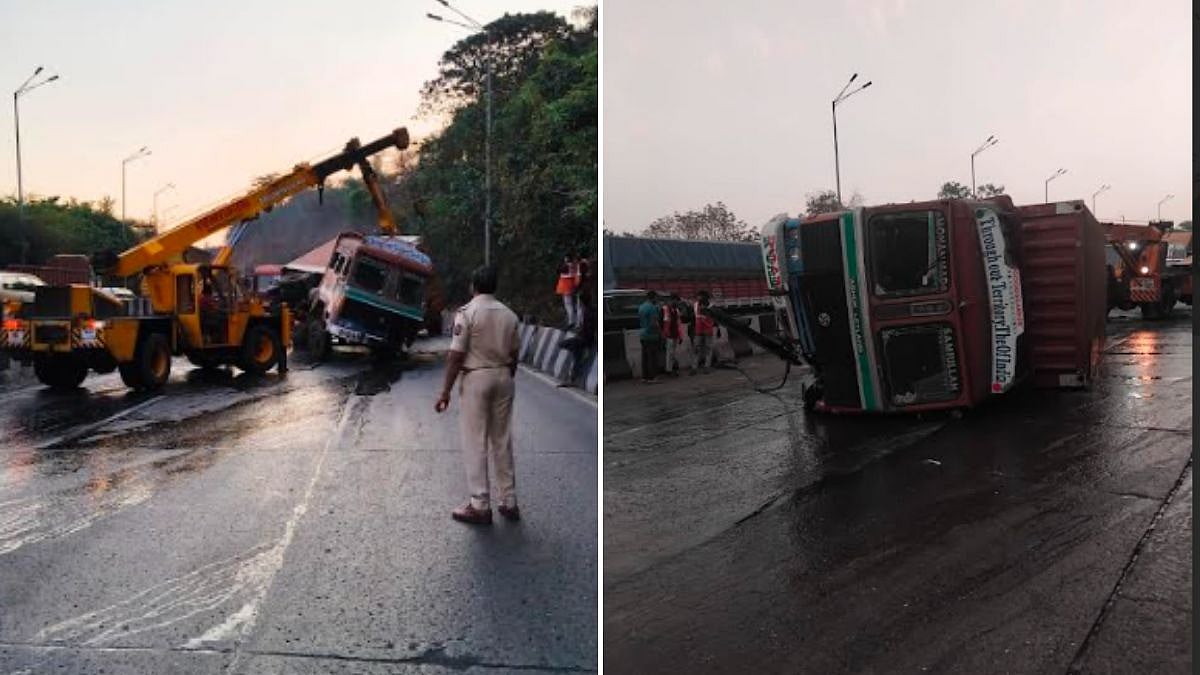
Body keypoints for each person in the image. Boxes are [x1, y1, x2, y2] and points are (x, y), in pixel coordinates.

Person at [435, 266, 521, 525]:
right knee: (501, 440)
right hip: (504, 376)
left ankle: (480, 504)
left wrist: (445, 391)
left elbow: (456, 355)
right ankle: (509, 501)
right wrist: (505, 376)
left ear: (473, 286)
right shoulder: (509, 315)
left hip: (476, 378)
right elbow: (515, 354)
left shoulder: (467, 313)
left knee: (475, 442)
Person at [637, 290, 662, 383]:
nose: (657, 299)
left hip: (642, 334)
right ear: (654, 297)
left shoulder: (641, 307)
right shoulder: (652, 308)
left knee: (645, 357)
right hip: (651, 335)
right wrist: (659, 332)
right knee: (653, 358)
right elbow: (654, 323)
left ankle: (645, 377)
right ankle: (653, 377)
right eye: (656, 298)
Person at [691, 291, 716, 374]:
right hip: (699, 330)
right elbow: (693, 317)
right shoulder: (695, 305)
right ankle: (694, 368)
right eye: (698, 297)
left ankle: (706, 367)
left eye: (700, 296)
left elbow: (715, 318)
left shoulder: (711, 306)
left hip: (707, 330)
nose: (698, 298)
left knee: (708, 349)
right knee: (696, 349)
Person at [661, 293, 685, 376]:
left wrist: (680, 336)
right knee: (670, 353)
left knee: (672, 353)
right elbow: (662, 323)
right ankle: (669, 370)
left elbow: (678, 324)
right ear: (672, 300)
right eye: (676, 301)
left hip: (674, 334)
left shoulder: (675, 310)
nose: (677, 303)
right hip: (669, 334)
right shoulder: (665, 309)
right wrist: (663, 334)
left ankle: (670, 369)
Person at [555, 253, 580, 329]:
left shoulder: (565, 266)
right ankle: (575, 321)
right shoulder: (575, 266)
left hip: (565, 288)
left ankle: (571, 321)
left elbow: (558, 270)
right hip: (573, 287)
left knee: (568, 305)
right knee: (574, 305)